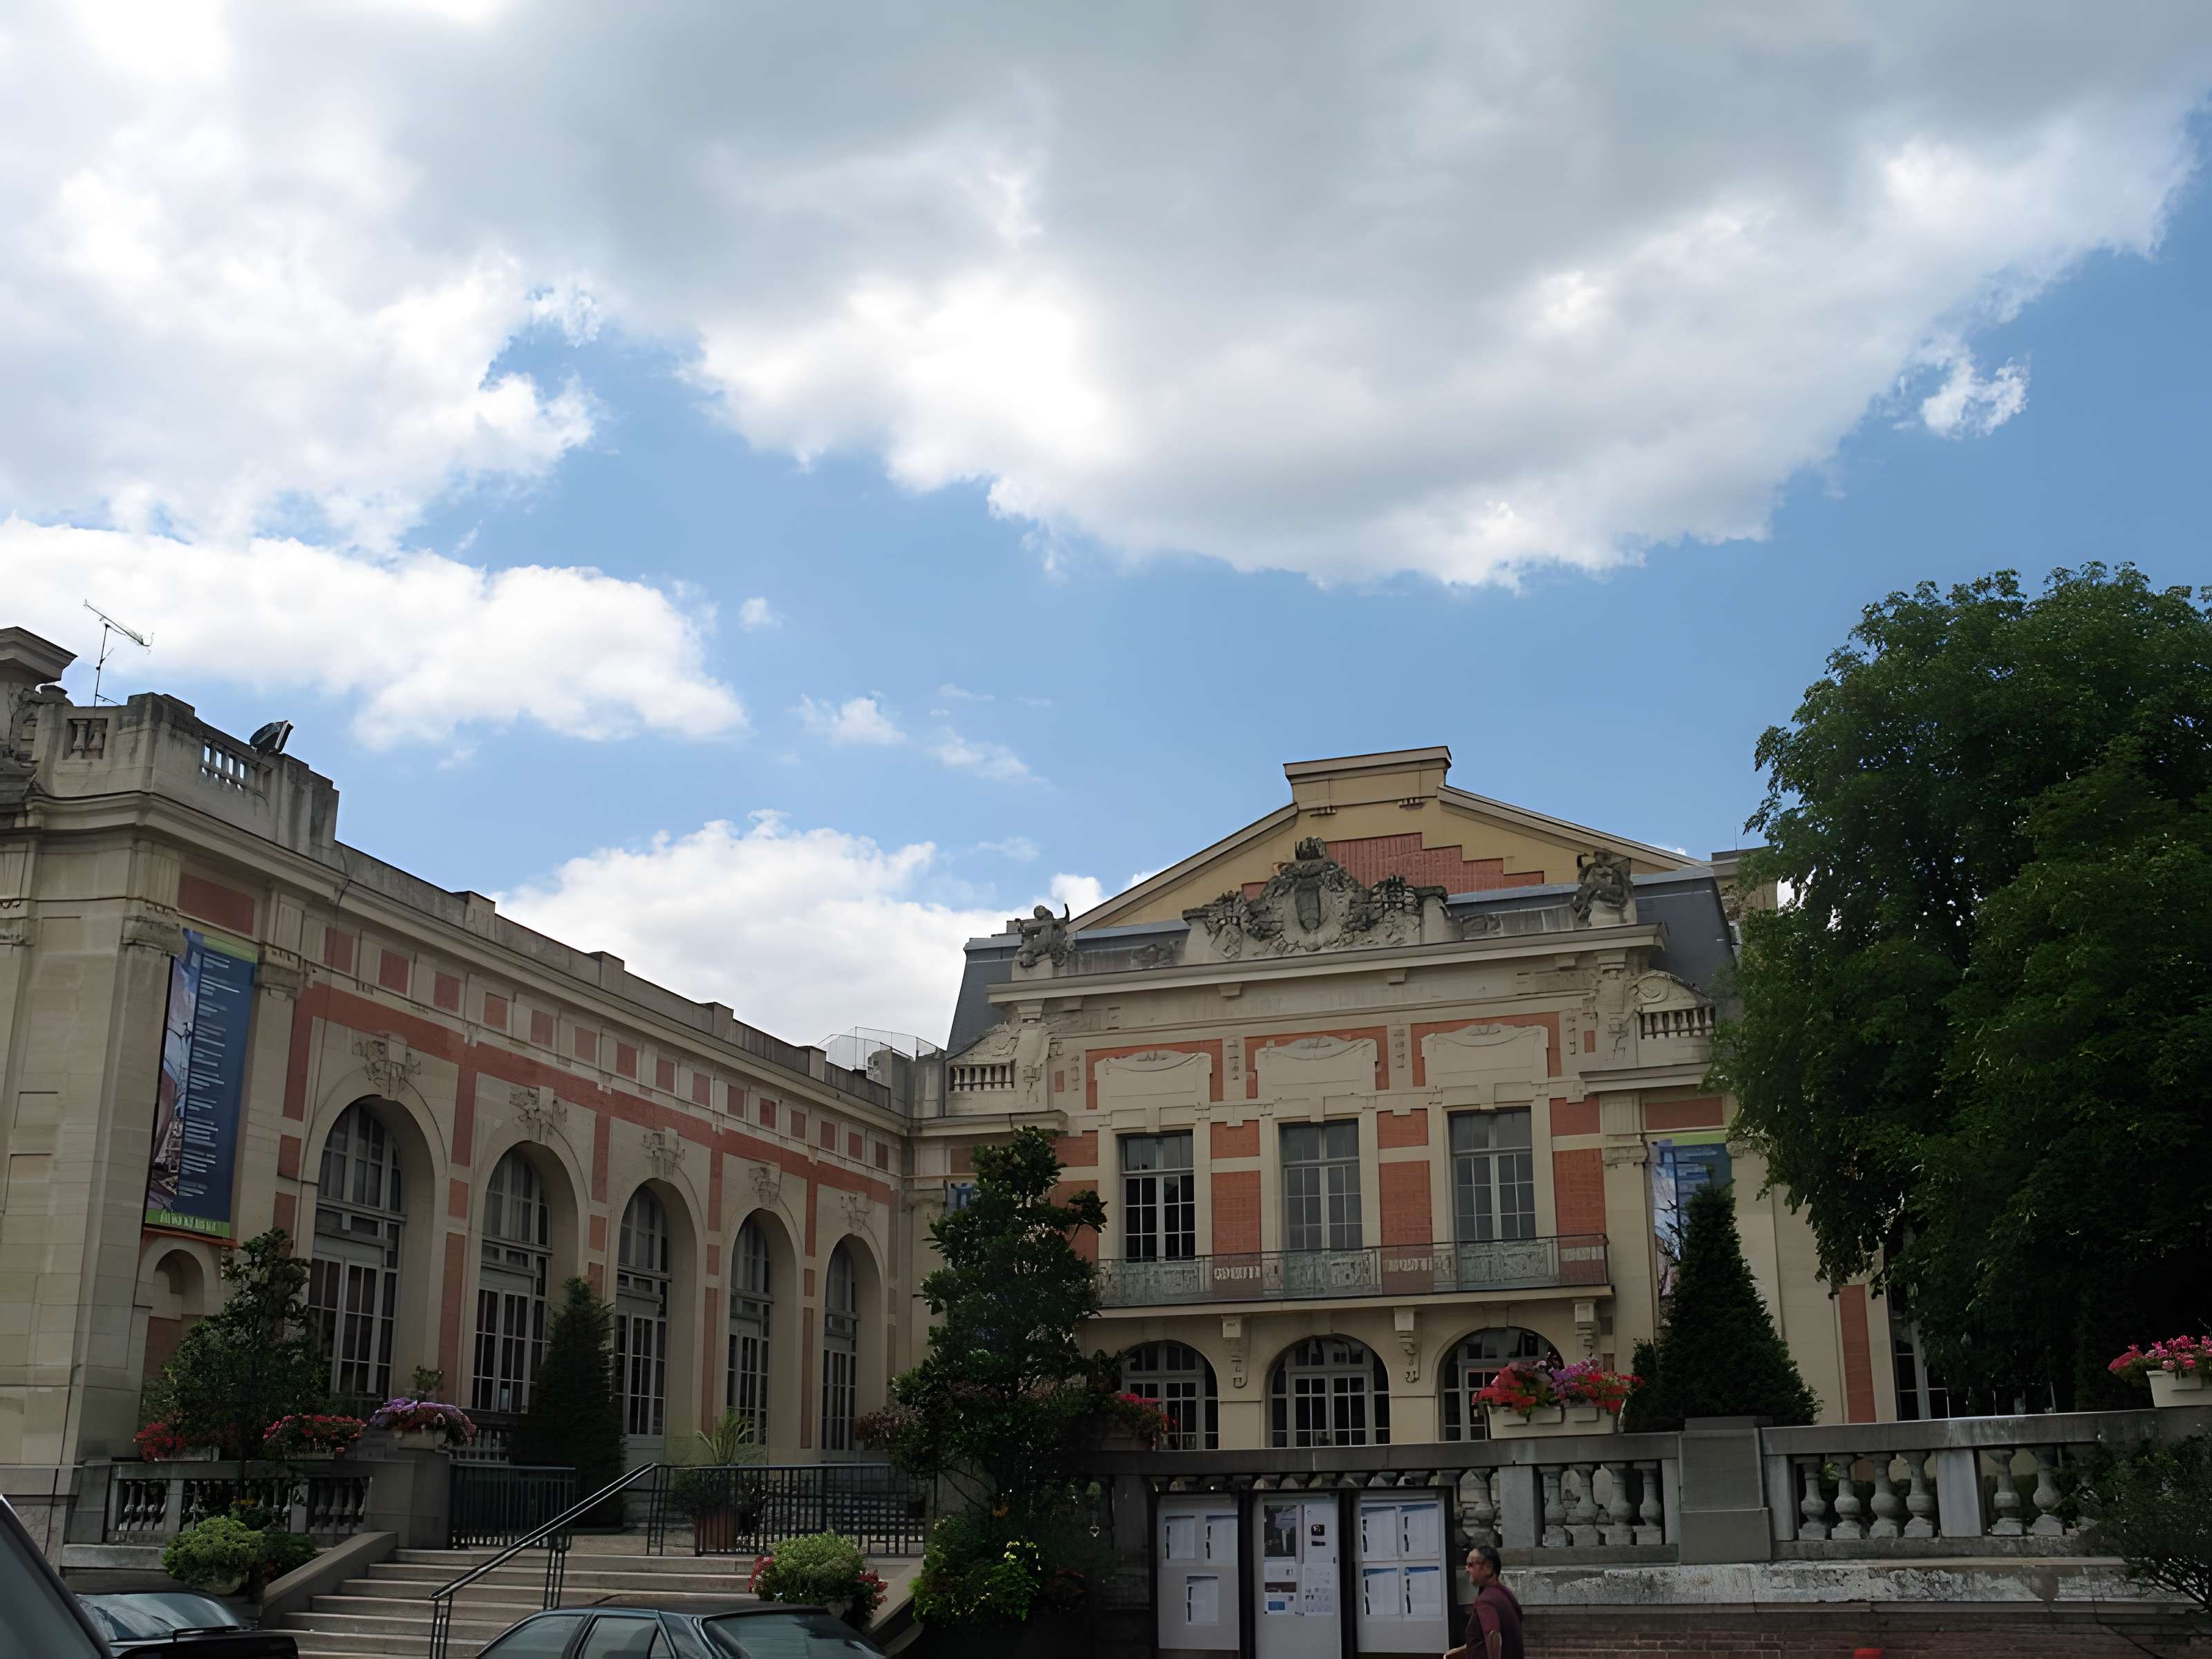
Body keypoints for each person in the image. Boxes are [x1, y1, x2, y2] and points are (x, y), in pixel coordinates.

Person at [1445, 1544, 1523, 1659]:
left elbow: (1493, 1636)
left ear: (1488, 1567)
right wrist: (1462, 1651)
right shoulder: (1504, 1593)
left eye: (1471, 1565)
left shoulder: (1486, 1601)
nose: (1467, 1568)